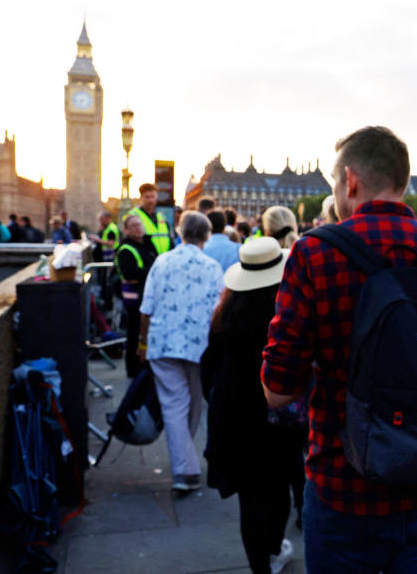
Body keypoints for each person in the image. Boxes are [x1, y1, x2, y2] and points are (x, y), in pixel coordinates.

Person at [262, 126, 417, 573]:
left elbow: (278, 391)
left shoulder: (314, 254)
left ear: (350, 180)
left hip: (344, 486)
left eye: (336, 183)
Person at [202, 237, 304, 574]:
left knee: (250, 501)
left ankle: (259, 565)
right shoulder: (287, 313)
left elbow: (208, 367)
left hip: (234, 417)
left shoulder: (226, 313)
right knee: (279, 492)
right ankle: (274, 548)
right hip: (277, 419)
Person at [138, 211, 224, 491]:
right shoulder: (212, 267)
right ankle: (186, 468)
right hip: (199, 344)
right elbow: (220, 309)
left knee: (175, 404)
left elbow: (146, 308)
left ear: (180, 232)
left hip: (164, 340)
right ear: (206, 236)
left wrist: (142, 342)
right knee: (194, 403)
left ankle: (183, 467)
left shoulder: (162, 262)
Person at [116, 214, 158, 379]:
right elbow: (129, 273)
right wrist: (151, 271)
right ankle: (134, 373)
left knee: (146, 335)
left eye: (139, 224)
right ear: (126, 230)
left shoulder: (148, 244)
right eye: (133, 226)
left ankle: (145, 370)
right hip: (135, 301)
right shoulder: (126, 249)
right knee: (134, 336)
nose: (138, 228)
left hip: (147, 297)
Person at [127, 183, 172, 255]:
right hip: (145, 260)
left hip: (163, 261)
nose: (150, 200)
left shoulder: (161, 217)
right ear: (141, 198)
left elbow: (169, 239)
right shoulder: (133, 216)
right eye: (147, 197)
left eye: (153, 197)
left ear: (157, 197)